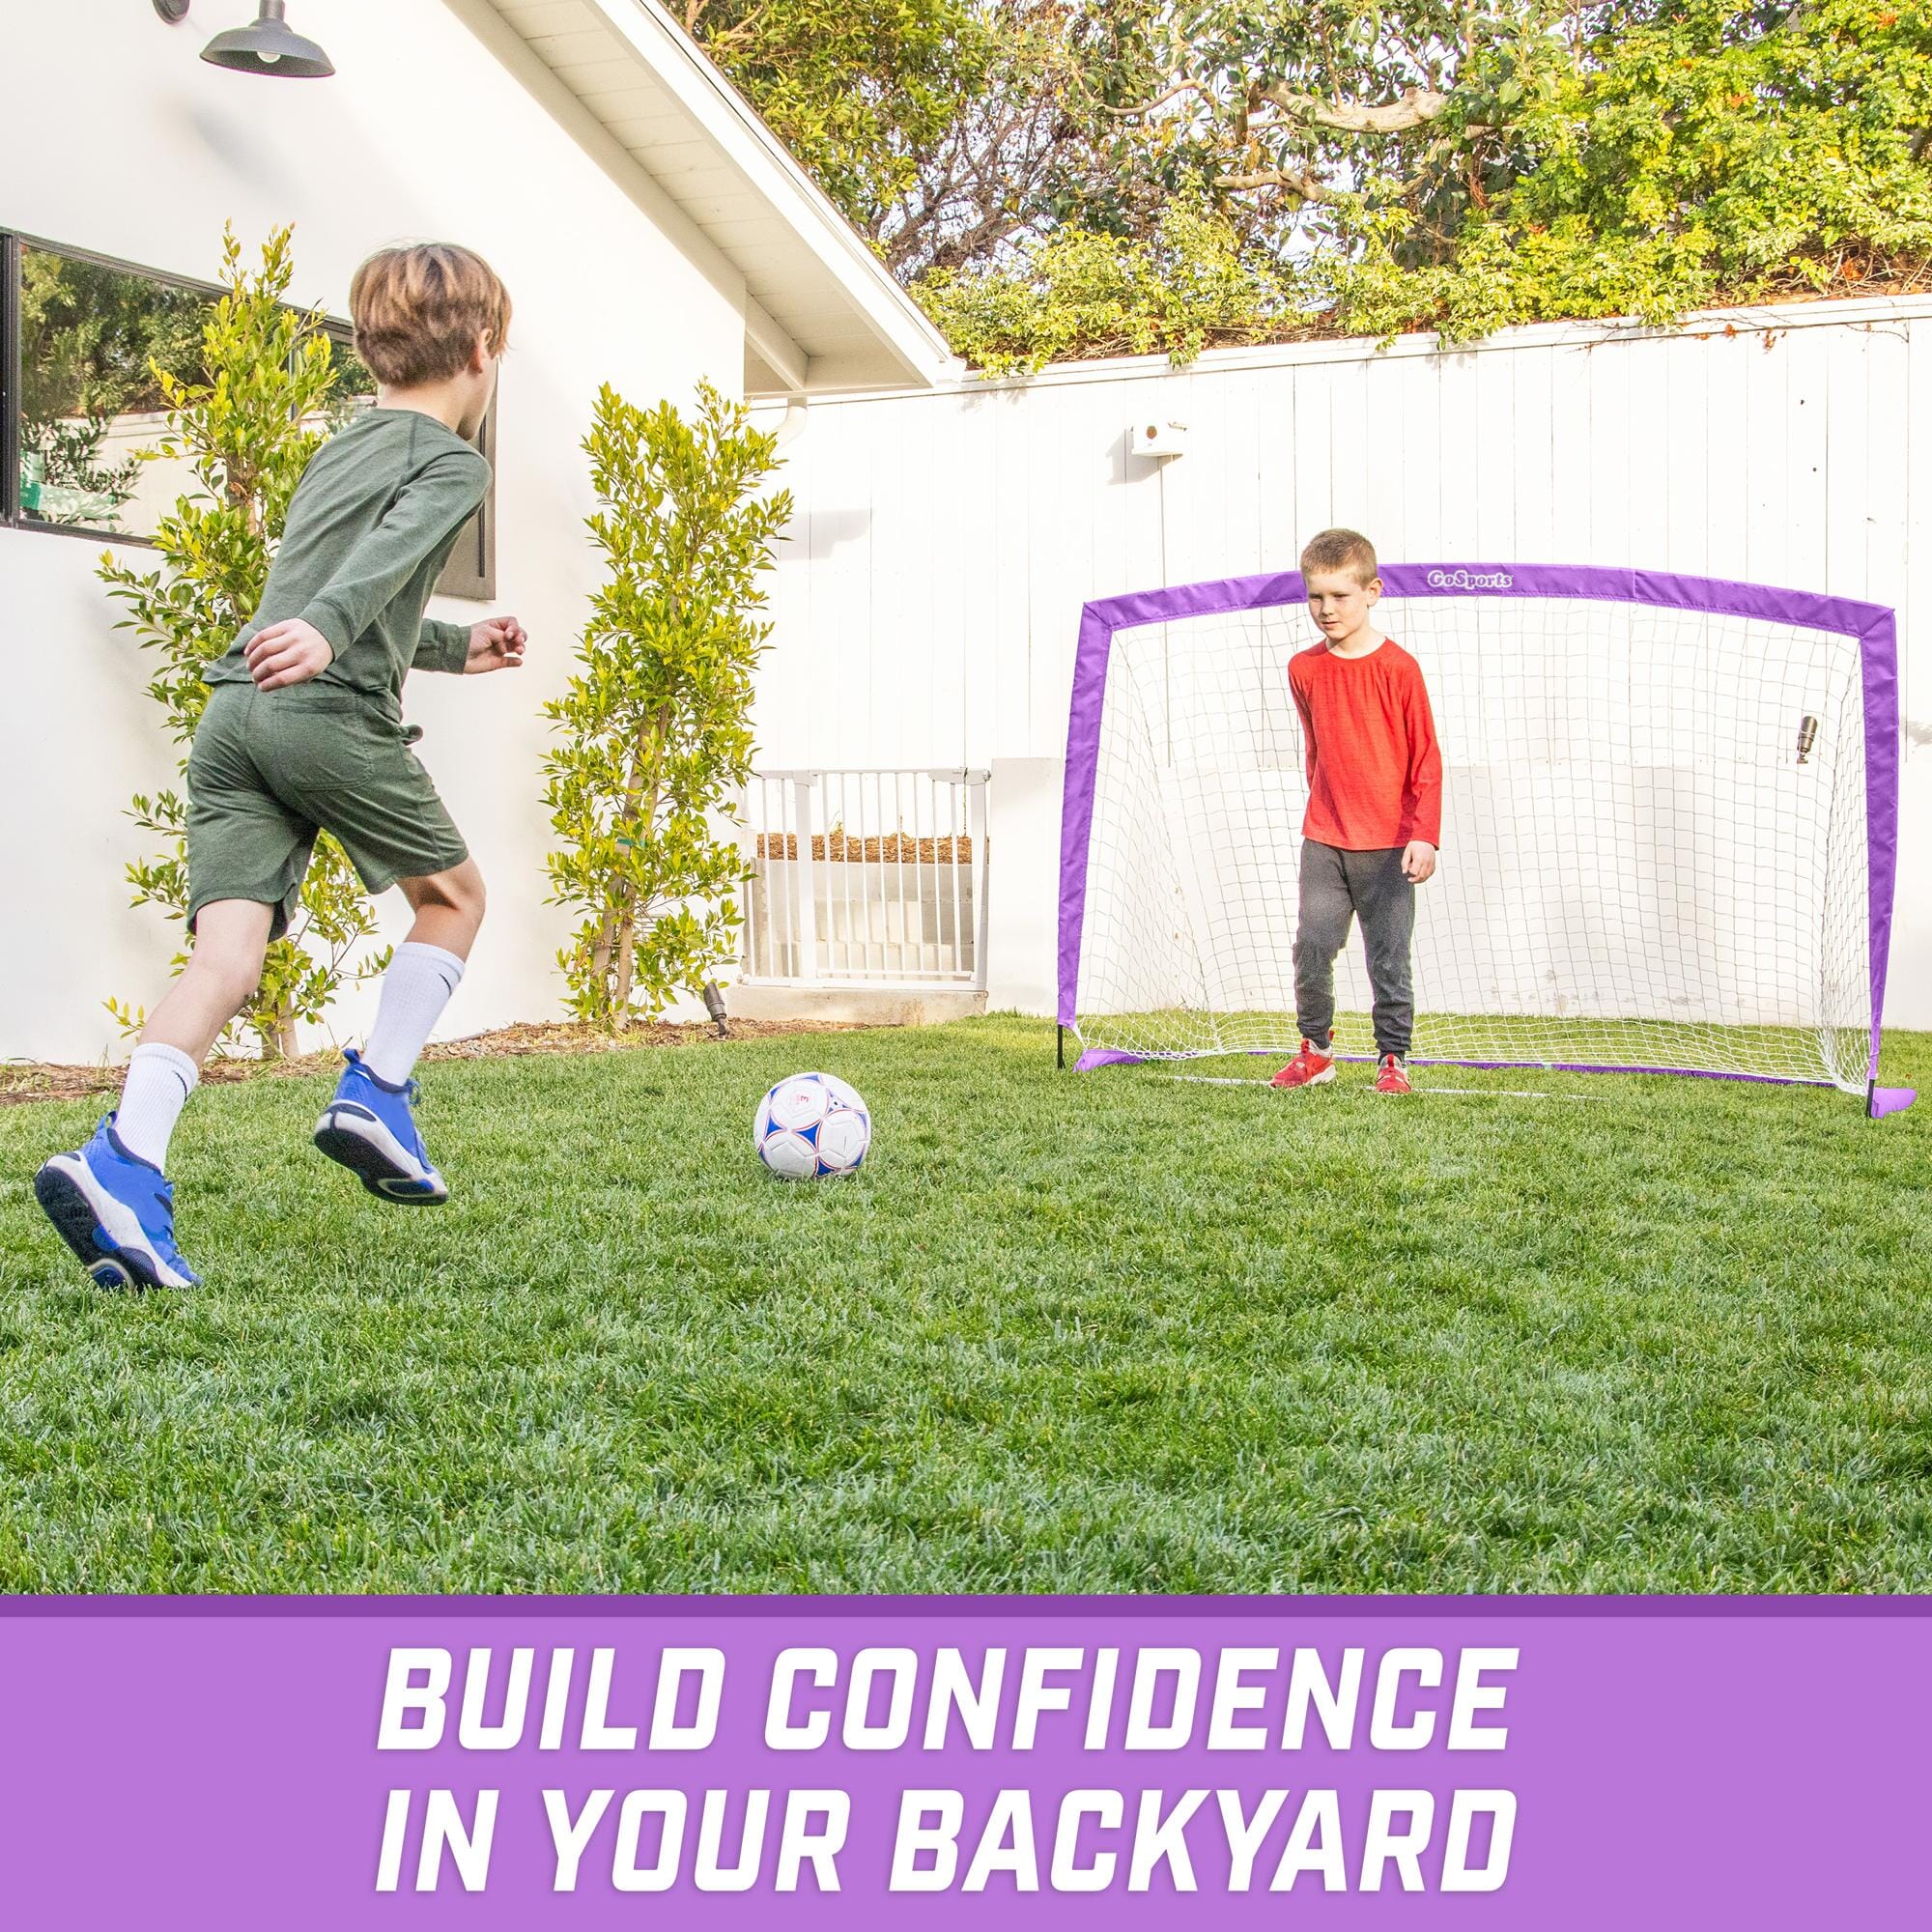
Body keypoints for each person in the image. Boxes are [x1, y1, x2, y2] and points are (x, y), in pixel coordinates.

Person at [36, 242, 526, 1289]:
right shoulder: (454, 462)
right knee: (455, 898)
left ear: (369, 351)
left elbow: (343, 583)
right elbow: (367, 576)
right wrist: (328, 629)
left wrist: (449, 644)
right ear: (485, 348)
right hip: (319, 713)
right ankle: (378, 1091)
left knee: (225, 964)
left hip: (233, 720)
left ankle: (122, 1160)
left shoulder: (343, 445)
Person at [1272, 527, 1441, 1096]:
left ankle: (1392, 1059)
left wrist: (1425, 835)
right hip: (1325, 840)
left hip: (1390, 844)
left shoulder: (1400, 669)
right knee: (1313, 944)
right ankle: (1315, 1050)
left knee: (1389, 957)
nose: (1326, 609)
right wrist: (1325, 809)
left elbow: (1426, 760)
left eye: (1340, 596)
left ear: (1373, 592)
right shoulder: (1303, 669)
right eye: (1316, 596)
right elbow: (1316, 750)